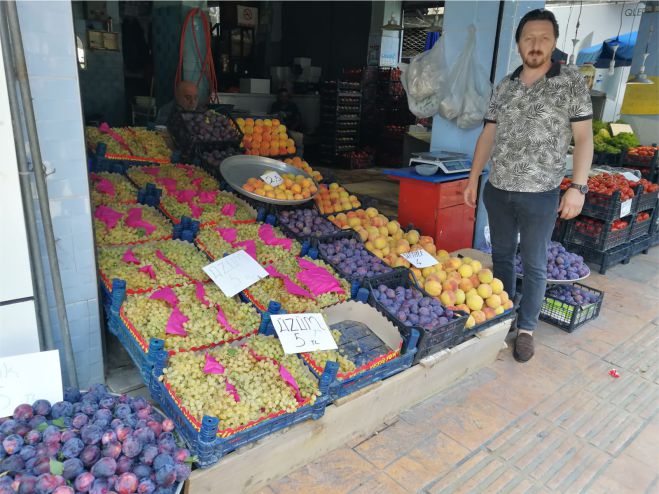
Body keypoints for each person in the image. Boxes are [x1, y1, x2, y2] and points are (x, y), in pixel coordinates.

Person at [463, 9, 593, 363]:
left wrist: (578, 187)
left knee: (535, 264)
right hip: (499, 190)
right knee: (502, 257)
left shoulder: (570, 82)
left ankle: (526, 330)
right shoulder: (505, 86)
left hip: (541, 194)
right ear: (519, 43)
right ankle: (504, 316)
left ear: (554, 42)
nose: (535, 44)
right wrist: (473, 178)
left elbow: (584, 138)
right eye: (528, 38)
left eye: (544, 38)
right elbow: (488, 135)